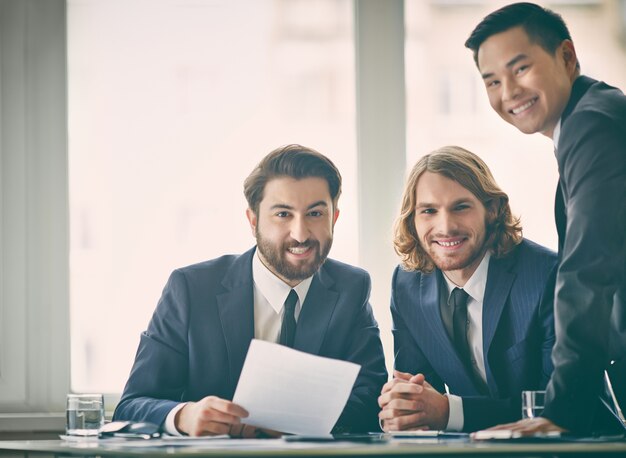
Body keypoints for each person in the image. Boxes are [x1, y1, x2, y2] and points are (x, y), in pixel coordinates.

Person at [113, 144, 387, 436]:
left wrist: (294, 422)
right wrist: (183, 416)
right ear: (253, 220)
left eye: (315, 214)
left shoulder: (351, 288)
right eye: (283, 214)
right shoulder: (191, 289)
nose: (300, 233)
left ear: (334, 218)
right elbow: (131, 405)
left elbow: (372, 402)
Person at [465, 2, 626, 435]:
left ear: (567, 58)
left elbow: (589, 268)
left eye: (520, 69)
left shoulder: (590, 124)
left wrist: (562, 410)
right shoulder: (591, 118)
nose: (509, 92)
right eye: (493, 81)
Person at [378, 146, 557, 433]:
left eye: (460, 207)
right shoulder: (406, 284)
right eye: (429, 211)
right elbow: (419, 397)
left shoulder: (547, 275)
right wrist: (402, 410)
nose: (445, 226)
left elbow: (558, 408)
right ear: (413, 219)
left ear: (492, 210)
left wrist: (450, 412)